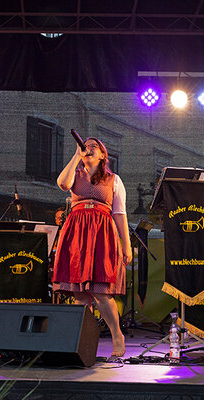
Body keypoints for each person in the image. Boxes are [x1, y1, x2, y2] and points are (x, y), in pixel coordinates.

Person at [52, 137, 132, 358]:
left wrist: (127, 245)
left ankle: (117, 335)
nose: (88, 148)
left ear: (103, 155)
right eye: (85, 146)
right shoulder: (75, 174)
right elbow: (62, 184)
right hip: (77, 233)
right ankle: (83, 341)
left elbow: (120, 214)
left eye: (93, 147)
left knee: (101, 293)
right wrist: (76, 156)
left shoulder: (113, 180)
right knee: (79, 294)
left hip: (102, 234)